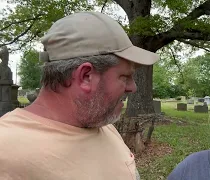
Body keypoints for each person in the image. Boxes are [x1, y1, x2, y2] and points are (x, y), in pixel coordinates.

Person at [0, 12, 159, 180]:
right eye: (125, 77)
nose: (133, 87)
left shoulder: (101, 124)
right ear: (86, 76)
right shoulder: (6, 150)